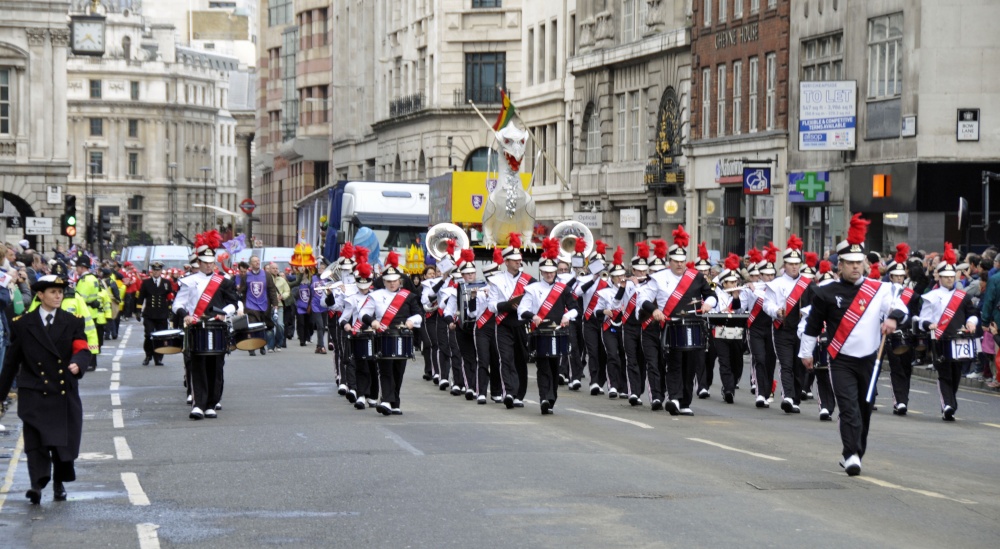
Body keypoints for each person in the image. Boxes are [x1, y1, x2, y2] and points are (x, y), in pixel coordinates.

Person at [799, 214, 906, 476]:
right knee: (848, 407)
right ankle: (850, 454)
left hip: (870, 358)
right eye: (850, 263)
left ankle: (857, 450)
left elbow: (899, 306)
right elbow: (813, 324)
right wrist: (806, 353)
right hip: (841, 359)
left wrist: (893, 318)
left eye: (859, 263)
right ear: (841, 265)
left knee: (865, 408)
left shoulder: (879, 289)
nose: (856, 267)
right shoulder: (825, 291)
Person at [0, 274, 93, 504]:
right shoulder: (23, 324)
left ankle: (59, 483)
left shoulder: (72, 321)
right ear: (40, 295)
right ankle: (36, 485)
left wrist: (78, 363)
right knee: (35, 442)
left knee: (61, 443)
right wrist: (0, 395)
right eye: (53, 292)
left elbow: (82, 348)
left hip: (62, 390)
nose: (58, 296)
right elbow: (11, 361)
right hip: (34, 390)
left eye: (60, 292)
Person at [640, 226, 717, 416]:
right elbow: (643, 298)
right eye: (676, 261)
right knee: (674, 363)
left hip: (693, 326)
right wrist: (655, 310)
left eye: (682, 261)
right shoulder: (658, 278)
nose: (680, 265)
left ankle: (684, 402)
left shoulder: (696, 277)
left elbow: (711, 294)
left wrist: (709, 303)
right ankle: (674, 398)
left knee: (690, 365)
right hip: (671, 325)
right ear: (670, 261)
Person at [171, 231, 239, 420]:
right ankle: (199, 405)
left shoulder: (224, 282)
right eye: (205, 262)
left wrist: (224, 312)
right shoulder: (188, 281)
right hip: (197, 327)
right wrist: (185, 315)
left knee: (216, 366)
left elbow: (234, 303)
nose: (209, 265)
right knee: (198, 366)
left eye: (211, 262)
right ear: (199, 262)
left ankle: (211, 403)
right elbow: (177, 304)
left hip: (217, 327)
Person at [916, 243, 980, 421]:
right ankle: (948, 406)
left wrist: (971, 322)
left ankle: (950, 402)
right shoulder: (931, 296)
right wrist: (929, 324)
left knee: (956, 374)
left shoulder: (963, 296)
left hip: (959, 340)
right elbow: (922, 319)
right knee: (944, 374)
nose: (950, 280)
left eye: (952, 277)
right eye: (946, 277)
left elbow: (972, 313)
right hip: (940, 339)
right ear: (940, 278)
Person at [517, 238, 577, 414]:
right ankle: (544, 398)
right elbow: (522, 310)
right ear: (541, 271)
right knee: (543, 366)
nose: (549, 275)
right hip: (540, 332)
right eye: (546, 272)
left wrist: (567, 316)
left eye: (552, 272)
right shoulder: (532, 288)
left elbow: (575, 308)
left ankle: (551, 398)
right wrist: (533, 316)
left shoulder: (563, 289)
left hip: (558, 332)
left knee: (554, 366)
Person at [359, 251, 423, 415]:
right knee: (385, 369)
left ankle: (394, 402)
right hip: (383, 334)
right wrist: (372, 321)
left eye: (395, 281)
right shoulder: (375, 296)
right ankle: (386, 401)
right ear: (384, 281)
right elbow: (363, 313)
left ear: (400, 281)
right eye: (389, 281)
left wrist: (411, 322)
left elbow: (418, 314)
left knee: (398, 370)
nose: (392, 284)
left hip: (403, 335)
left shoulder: (408, 296)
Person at [486, 233, 535, 409]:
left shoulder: (529, 280)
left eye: (519, 260)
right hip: (504, 323)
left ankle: (519, 395)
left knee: (521, 359)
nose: (518, 262)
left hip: (521, 324)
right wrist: (506, 305)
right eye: (514, 260)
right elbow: (491, 305)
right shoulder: (496, 280)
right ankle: (509, 392)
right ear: (506, 262)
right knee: (505, 358)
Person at [764, 235, 810, 414]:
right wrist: (776, 311)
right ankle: (788, 397)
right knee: (786, 364)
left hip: (802, 330)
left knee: (799, 366)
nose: (794, 267)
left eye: (797, 263)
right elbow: (767, 304)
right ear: (785, 265)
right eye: (791, 264)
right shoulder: (776, 284)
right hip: (782, 329)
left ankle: (795, 398)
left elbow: (814, 306)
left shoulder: (807, 284)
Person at [240, 256, 279, 357]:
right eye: (255, 261)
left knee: (261, 327)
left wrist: (275, 304)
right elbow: (242, 291)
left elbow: (272, 290)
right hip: (250, 306)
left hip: (264, 305)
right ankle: (251, 348)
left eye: (258, 261)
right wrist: (241, 305)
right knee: (252, 327)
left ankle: (261, 345)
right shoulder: (246, 276)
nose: (257, 262)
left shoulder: (266, 275)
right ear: (251, 264)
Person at [137, 262, 174, 366]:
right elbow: (141, 297)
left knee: (160, 337)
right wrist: (138, 311)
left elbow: (170, 298)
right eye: (154, 270)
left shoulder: (166, 283)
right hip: (149, 314)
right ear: (152, 271)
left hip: (162, 314)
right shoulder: (146, 283)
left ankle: (158, 358)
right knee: (148, 335)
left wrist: (170, 310)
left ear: (161, 271)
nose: (156, 272)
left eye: (158, 270)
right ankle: (148, 355)